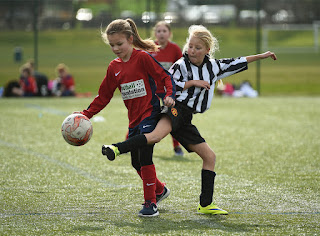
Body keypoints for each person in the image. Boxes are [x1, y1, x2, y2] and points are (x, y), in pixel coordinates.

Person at [102, 24, 277, 215]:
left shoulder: (213, 67)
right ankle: (118, 148)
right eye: (190, 46)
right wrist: (192, 83)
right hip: (176, 109)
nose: (192, 51)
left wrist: (262, 56)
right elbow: (169, 81)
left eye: (197, 48)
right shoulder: (181, 65)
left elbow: (237, 62)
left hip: (186, 118)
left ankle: (205, 204)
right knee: (154, 136)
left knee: (209, 157)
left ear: (207, 50)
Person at [78, 19, 176, 217]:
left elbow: (165, 76)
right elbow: (103, 96)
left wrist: (169, 94)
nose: (115, 48)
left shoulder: (143, 58)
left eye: (119, 44)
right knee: (135, 163)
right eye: (112, 45)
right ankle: (160, 189)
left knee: (145, 155)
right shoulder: (113, 67)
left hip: (150, 113)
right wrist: (85, 114)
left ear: (130, 39)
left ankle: (150, 203)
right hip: (134, 120)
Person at [151, 21, 184, 156]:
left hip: (168, 91)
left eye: (164, 31)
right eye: (159, 31)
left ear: (169, 34)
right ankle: (129, 142)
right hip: (152, 90)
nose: (161, 33)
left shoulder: (175, 49)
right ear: (155, 33)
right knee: (145, 116)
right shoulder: (150, 48)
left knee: (171, 117)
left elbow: (181, 68)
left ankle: (176, 146)